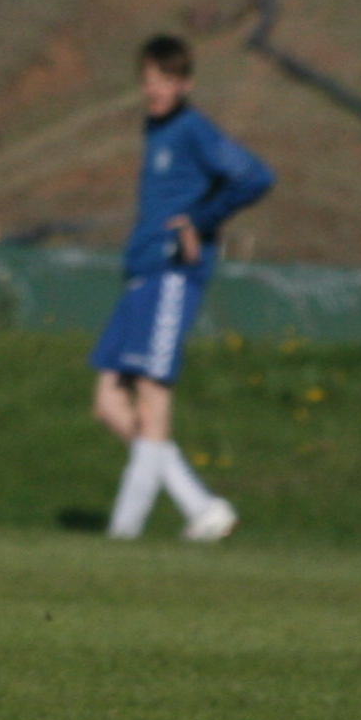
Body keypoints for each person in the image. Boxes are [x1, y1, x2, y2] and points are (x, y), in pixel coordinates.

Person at [89, 32, 273, 543]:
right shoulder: (155, 126)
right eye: (149, 79)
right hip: (142, 273)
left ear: (185, 84)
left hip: (172, 276)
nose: (156, 89)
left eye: (167, 80)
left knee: (152, 399)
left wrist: (199, 221)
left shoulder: (194, 130)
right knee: (108, 402)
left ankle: (123, 533)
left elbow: (256, 177)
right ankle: (201, 506)